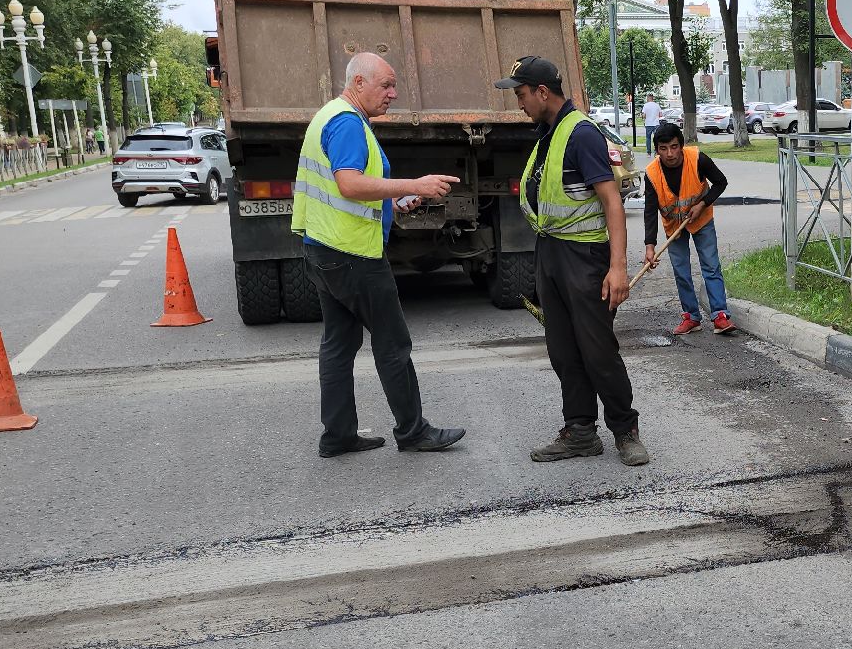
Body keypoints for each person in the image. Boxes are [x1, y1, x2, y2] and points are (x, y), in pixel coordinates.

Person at [293, 51, 467, 457]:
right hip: (353, 255)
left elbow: (351, 190)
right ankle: (414, 431)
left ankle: (337, 436)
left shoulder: (330, 115)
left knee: (338, 344)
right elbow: (350, 185)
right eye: (385, 85)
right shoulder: (348, 124)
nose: (393, 93)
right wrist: (418, 185)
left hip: (323, 247)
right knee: (392, 344)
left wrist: (393, 201)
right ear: (358, 84)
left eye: (393, 86)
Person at [496, 55, 650, 467]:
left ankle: (625, 431)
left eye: (522, 94)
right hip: (552, 253)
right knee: (563, 349)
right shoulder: (548, 132)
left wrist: (618, 268)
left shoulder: (580, 133)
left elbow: (612, 203)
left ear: (542, 92)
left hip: (584, 257)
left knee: (597, 349)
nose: (519, 103)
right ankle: (580, 431)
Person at [642, 123, 735, 336]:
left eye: (674, 147)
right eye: (663, 148)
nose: (670, 154)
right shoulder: (651, 174)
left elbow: (721, 183)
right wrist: (650, 247)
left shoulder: (698, 159)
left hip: (701, 220)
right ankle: (691, 317)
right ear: (656, 149)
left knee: (711, 266)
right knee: (681, 271)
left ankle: (720, 315)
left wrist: (702, 204)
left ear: (681, 146)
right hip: (674, 226)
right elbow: (649, 211)